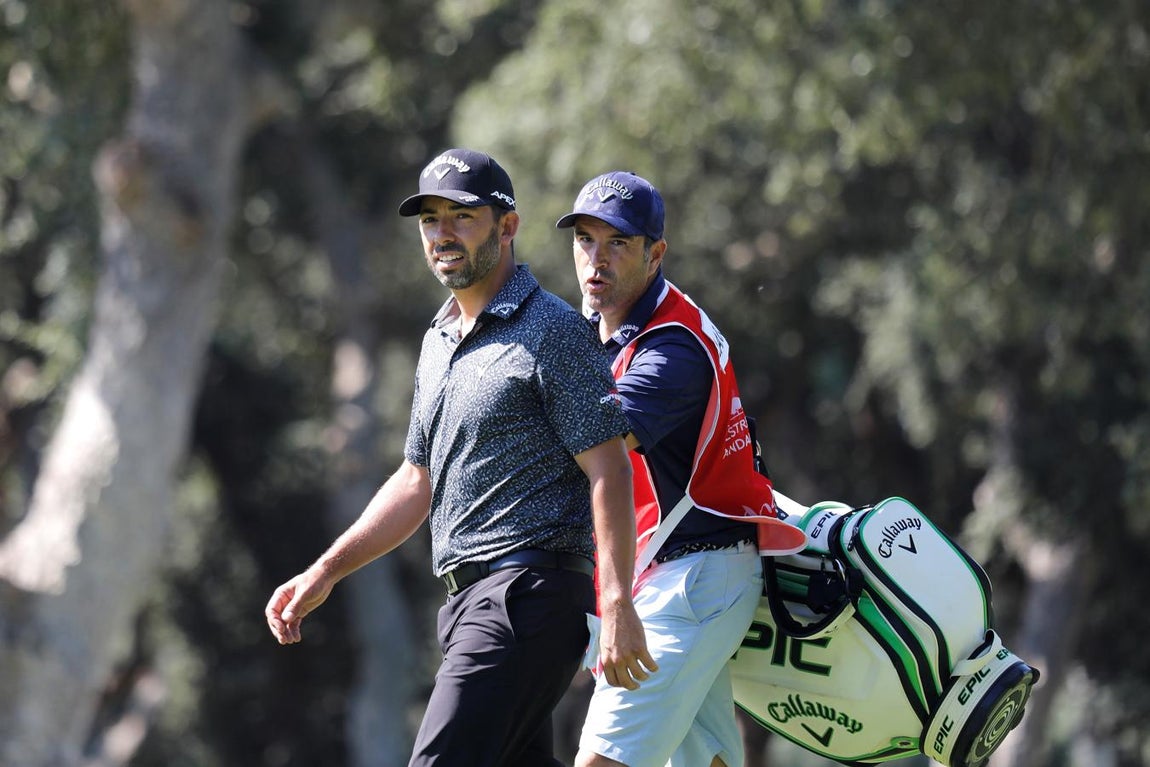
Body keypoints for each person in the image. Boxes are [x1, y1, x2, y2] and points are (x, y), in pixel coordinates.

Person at [265, 150, 654, 767]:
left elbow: (609, 469)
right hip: (469, 606)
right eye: (430, 220)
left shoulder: (552, 329)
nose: (442, 234)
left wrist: (617, 603)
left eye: (462, 217)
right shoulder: (438, 340)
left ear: (507, 227)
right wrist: (326, 571)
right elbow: (416, 480)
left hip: (527, 595)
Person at [556, 171, 808, 767]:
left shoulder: (672, 346)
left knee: (600, 762)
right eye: (585, 240)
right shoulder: (614, 328)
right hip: (686, 577)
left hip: (692, 582)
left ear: (655, 252)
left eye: (617, 243)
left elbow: (598, 445)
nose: (596, 259)